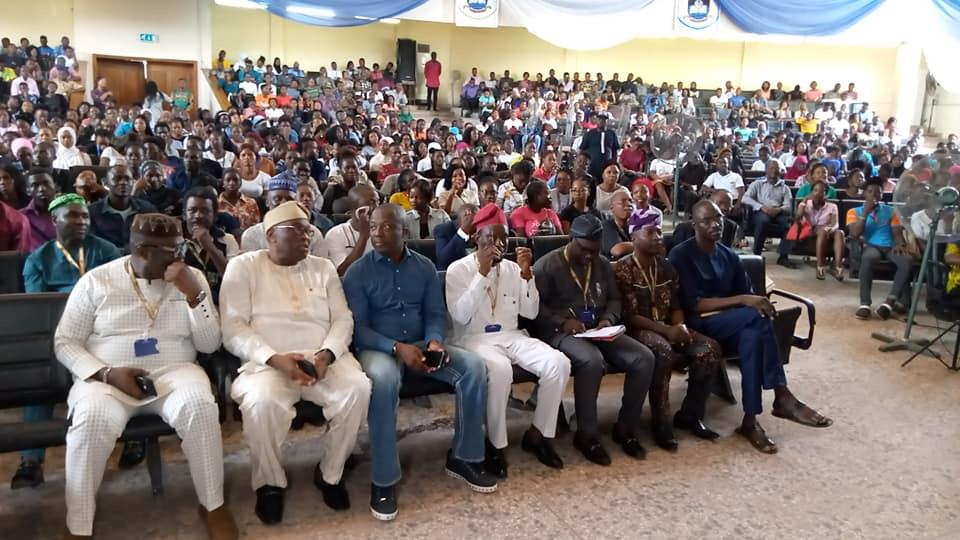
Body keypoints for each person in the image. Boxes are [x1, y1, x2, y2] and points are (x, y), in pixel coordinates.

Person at [54, 213, 237, 538]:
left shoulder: (190, 277)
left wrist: (195, 296)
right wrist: (107, 374)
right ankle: (78, 524)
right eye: (172, 251)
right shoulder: (97, 281)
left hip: (176, 372)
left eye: (181, 247)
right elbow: (65, 342)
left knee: (200, 407)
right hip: (107, 378)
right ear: (141, 250)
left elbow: (209, 344)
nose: (180, 256)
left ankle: (213, 504)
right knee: (90, 420)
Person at [221, 201, 371, 524]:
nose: (309, 236)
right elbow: (233, 328)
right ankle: (270, 484)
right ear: (271, 235)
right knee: (261, 402)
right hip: (267, 362)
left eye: (309, 230)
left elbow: (342, 318)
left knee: (358, 389)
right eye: (299, 231)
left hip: (322, 358)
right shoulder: (243, 267)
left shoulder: (323, 267)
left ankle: (330, 474)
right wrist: (274, 359)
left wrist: (327, 354)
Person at [343, 204, 495, 521]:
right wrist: (396, 347)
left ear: (404, 230)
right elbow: (359, 329)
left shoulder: (423, 266)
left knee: (473, 368)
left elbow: (435, 314)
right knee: (383, 381)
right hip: (379, 347)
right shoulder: (358, 272)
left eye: (386, 227)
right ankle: (384, 479)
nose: (377, 233)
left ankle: (464, 457)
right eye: (373, 227)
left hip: (422, 343)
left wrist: (435, 340)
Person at [669, 200, 832, 454]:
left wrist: (749, 301)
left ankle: (750, 419)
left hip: (734, 323)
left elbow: (752, 297)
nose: (716, 224)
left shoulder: (728, 255)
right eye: (707, 220)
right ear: (694, 224)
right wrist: (743, 300)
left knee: (753, 337)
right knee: (756, 318)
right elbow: (695, 305)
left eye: (719, 218)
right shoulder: (681, 254)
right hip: (699, 324)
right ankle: (781, 394)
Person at [446, 204, 570, 476]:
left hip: (512, 336)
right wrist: (481, 273)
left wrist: (527, 277)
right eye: (491, 238)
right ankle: (496, 444)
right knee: (500, 370)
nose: (499, 245)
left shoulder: (513, 269)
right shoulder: (458, 270)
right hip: (473, 339)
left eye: (504, 239)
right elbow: (460, 316)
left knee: (558, 363)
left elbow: (530, 313)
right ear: (477, 238)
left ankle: (538, 435)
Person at [13, 194, 121, 489]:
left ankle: (134, 442)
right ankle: (31, 460)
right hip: (60, 332)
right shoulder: (39, 259)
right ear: (54, 220)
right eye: (73, 216)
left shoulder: (106, 250)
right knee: (40, 380)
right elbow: (41, 307)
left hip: (104, 332)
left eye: (85, 216)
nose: (82, 222)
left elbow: (118, 297)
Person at [532, 214, 655, 465]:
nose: (590, 255)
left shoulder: (601, 264)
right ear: (571, 239)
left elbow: (614, 299)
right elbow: (535, 308)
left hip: (598, 328)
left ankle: (626, 428)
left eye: (595, 250)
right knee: (591, 361)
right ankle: (587, 435)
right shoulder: (547, 266)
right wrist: (562, 322)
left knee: (643, 358)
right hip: (562, 331)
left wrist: (608, 320)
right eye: (585, 249)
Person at [614, 208, 723, 450]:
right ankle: (661, 423)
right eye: (650, 232)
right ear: (634, 236)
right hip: (636, 330)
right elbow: (630, 316)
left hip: (667, 327)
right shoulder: (623, 268)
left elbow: (675, 305)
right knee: (663, 351)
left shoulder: (666, 267)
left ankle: (691, 415)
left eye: (659, 232)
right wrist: (667, 332)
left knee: (709, 349)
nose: (657, 237)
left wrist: (680, 327)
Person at [847, 179, 911, 320]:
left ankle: (889, 302)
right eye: (870, 192)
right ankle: (865, 304)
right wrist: (864, 214)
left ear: (882, 195)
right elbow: (855, 234)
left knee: (906, 261)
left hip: (890, 246)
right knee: (868, 258)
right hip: (871, 246)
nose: (874, 195)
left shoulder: (891, 211)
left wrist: (900, 244)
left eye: (878, 192)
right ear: (864, 193)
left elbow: (897, 233)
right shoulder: (854, 212)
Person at [241, 174, 327, 258]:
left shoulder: (313, 234)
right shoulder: (252, 235)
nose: (283, 203)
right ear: (267, 202)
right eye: (277, 199)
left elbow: (321, 265)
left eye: (289, 200)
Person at [181, 187, 238, 304]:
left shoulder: (227, 239)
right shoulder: (175, 241)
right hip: (184, 303)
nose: (198, 215)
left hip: (222, 303)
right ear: (184, 214)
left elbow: (234, 279)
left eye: (205, 211)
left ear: (215, 215)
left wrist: (211, 248)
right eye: (192, 210)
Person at [89, 164, 158, 250]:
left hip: (140, 256)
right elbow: (91, 246)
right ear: (105, 182)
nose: (123, 182)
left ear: (133, 182)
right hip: (107, 257)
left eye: (128, 179)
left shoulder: (148, 210)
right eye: (117, 178)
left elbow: (157, 241)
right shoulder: (92, 212)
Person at [742, 160, 796, 268]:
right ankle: (756, 254)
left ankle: (783, 256)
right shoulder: (757, 184)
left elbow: (788, 206)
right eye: (771, 168)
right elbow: (745, 198)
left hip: (778, 212)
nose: (774, 170)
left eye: (777, 168)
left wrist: (779, 209)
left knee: (790, 226)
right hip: (762, 211)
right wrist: (761, 207)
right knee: (763, 221)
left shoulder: (785, 187)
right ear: (766, 170)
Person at [795, 180, 844, 281]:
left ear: (826, 194)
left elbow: (835, 224)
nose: (818, 194)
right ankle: (820, 266)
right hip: (811, 232)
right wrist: (804, 201)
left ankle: (838, 267)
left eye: (822, 191)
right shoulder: (806, 204)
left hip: (828, 231)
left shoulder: (832, 206)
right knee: (822, 231)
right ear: (812, 192)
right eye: (816, 190)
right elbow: (798, 218)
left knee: (840, 233)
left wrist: (829, 229)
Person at [326, 184, 378, 275]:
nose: (376, 207)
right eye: (371, 203)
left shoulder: (383, 231)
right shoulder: (335, 234)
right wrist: (363, 237)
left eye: (378, 202)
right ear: (355, 208)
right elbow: (342, 271)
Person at [19, 170, 58, 251]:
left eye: (46, 183)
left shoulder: (70, 211)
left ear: (55, 186)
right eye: (35, 185)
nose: (42, 189)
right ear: (28, 191)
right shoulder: (20, 217)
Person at [434, 203, 477, 271]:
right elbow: (443, 260)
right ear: (466, 216)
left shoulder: (481, 231)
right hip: (452, 273)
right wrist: (463, 231)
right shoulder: (443, 229)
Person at [217, 167, 261, 231]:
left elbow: (256, 227)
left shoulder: (251, 203)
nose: (232, 183)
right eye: (228, 180)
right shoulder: (216, 204)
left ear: (240, 182)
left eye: (235, 180)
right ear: (223, 183)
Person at [580, 112, 620, 179]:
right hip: (592, 165)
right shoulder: (590, 134)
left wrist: (614, 162)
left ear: (607, 121)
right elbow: (582, 149)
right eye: (600, 119)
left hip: (607, 164)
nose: (602, 121)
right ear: (596, 120)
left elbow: (615, 150)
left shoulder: (611, 133)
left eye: (604, 120)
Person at [601, 190, 636, 259]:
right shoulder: (606, 226)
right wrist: (642, 245)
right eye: (623, 202)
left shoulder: (635, 226)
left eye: (631, 201)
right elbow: (617, 250)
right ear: (612, 208)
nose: (628, 204)